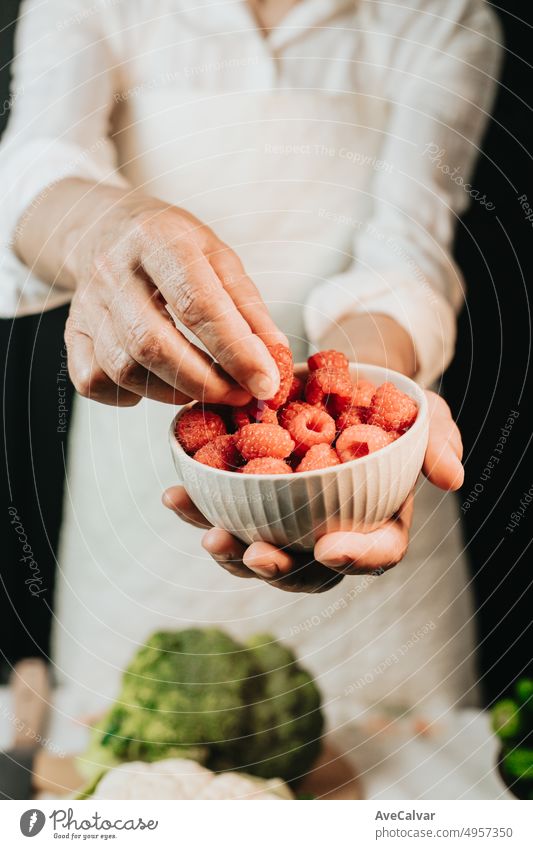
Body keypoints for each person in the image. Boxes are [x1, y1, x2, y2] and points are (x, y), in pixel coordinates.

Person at [0, 0, 501, 724]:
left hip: (366, 505)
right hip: (144, 504)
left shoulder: (438, 15)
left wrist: (351, 419)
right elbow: (33, 160)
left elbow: (408, 251)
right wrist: (107, 230)